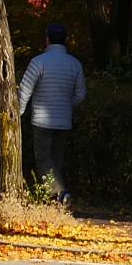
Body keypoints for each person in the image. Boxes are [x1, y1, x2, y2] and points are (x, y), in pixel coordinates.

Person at [18, 22, 86, 202]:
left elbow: (25, 90)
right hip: (63, 122)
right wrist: (65, 104)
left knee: (43, 161)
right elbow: (80, 94)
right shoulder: (75, 64)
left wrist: (18, 112)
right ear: (65, 40)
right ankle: (54, 200)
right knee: (56, 161)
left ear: (47, 39)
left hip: (41, 121)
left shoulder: (38, 62)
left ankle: (60, 193)